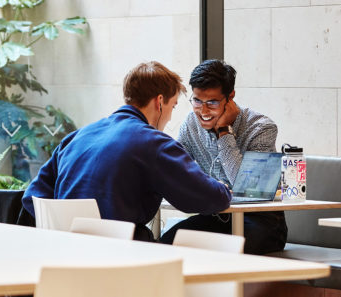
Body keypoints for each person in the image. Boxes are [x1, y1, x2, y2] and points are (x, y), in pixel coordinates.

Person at [22, 61, 231, 241]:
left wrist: (67, 228)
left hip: (65, 258)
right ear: (159, 102)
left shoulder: (78, 137)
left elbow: (32, 196)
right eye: (173, 107)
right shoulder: (154, 143)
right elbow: (207, 198)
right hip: (124, 260)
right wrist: (222, 188)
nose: (169, 118)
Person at [160, 59, 288, 254]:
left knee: (225, 251)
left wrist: (224, 133)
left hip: (261, 223)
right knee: (165, 244)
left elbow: (248, 188)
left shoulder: (261, 128)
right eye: (197, 101)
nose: (203, 111)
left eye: (212, 102)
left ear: (230, 97)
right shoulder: (190, 124)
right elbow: (174, 167)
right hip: (214, 218)